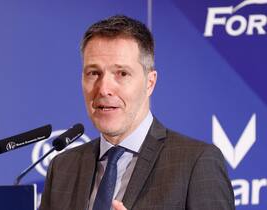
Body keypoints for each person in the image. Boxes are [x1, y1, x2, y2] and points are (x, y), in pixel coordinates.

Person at [39, 15, 235, 210]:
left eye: (122, 73)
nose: (104, 88)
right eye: (94, 73)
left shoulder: (196, 162)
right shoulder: (62, 168)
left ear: (150, 83)